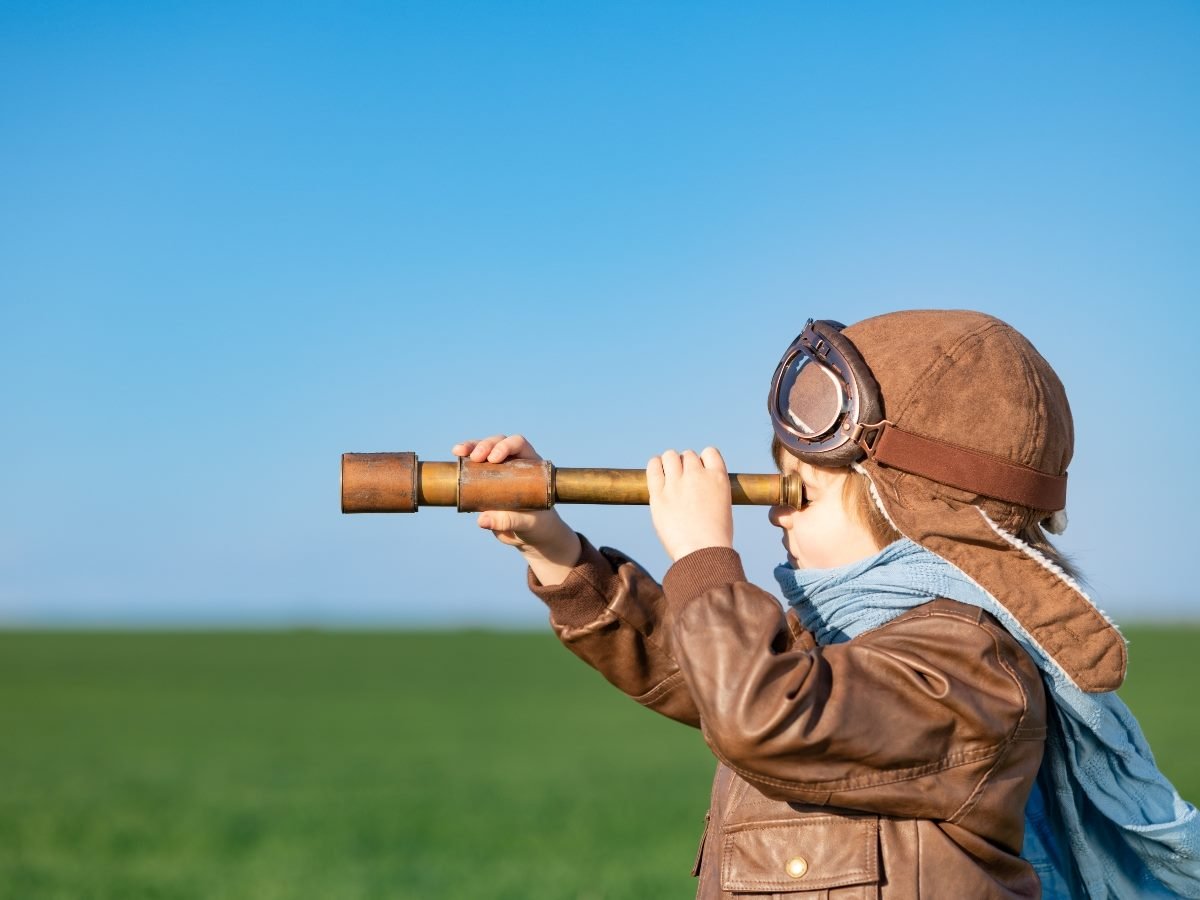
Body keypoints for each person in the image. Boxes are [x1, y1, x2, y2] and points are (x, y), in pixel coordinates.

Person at [454, 310, 1200, 899]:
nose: (775, 515)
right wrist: (553, 548)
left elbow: (761, 711)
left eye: (800, 492)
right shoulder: (845, 641)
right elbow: (702, 672)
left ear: (904, 501)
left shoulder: (973, 672)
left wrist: (705, 557)